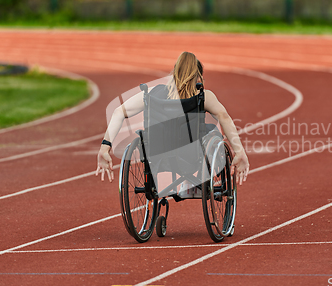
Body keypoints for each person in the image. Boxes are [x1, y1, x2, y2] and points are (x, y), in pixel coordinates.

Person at [96, 51, 249, 185]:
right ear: (199, 77)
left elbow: (118, 112)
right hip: (191, 158)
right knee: (212, 131)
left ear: (174, 73)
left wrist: (105, 147)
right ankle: (198, 180)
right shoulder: (203, 97)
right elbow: (224, 118)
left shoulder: (151, 94)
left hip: (157, 157)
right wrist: (239, 151)